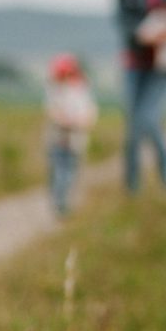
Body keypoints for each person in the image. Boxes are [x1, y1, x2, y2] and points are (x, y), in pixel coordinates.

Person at [100, 0, 166, 193]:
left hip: (163, 62)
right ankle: (132, 187)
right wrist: (142, 36)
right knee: (133, 127)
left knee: (149, 118)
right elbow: (124, 23)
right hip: (136, 62)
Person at [44, 53, 98, 216]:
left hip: (75, 139)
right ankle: (59, 201)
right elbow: (52, 112)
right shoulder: (54, 91)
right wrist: (65, 120)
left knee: (70, 172)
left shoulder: (82, 91)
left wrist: (80, 122)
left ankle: (63, 201)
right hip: (58, 138)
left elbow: (90, 114)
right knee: (59, 171)